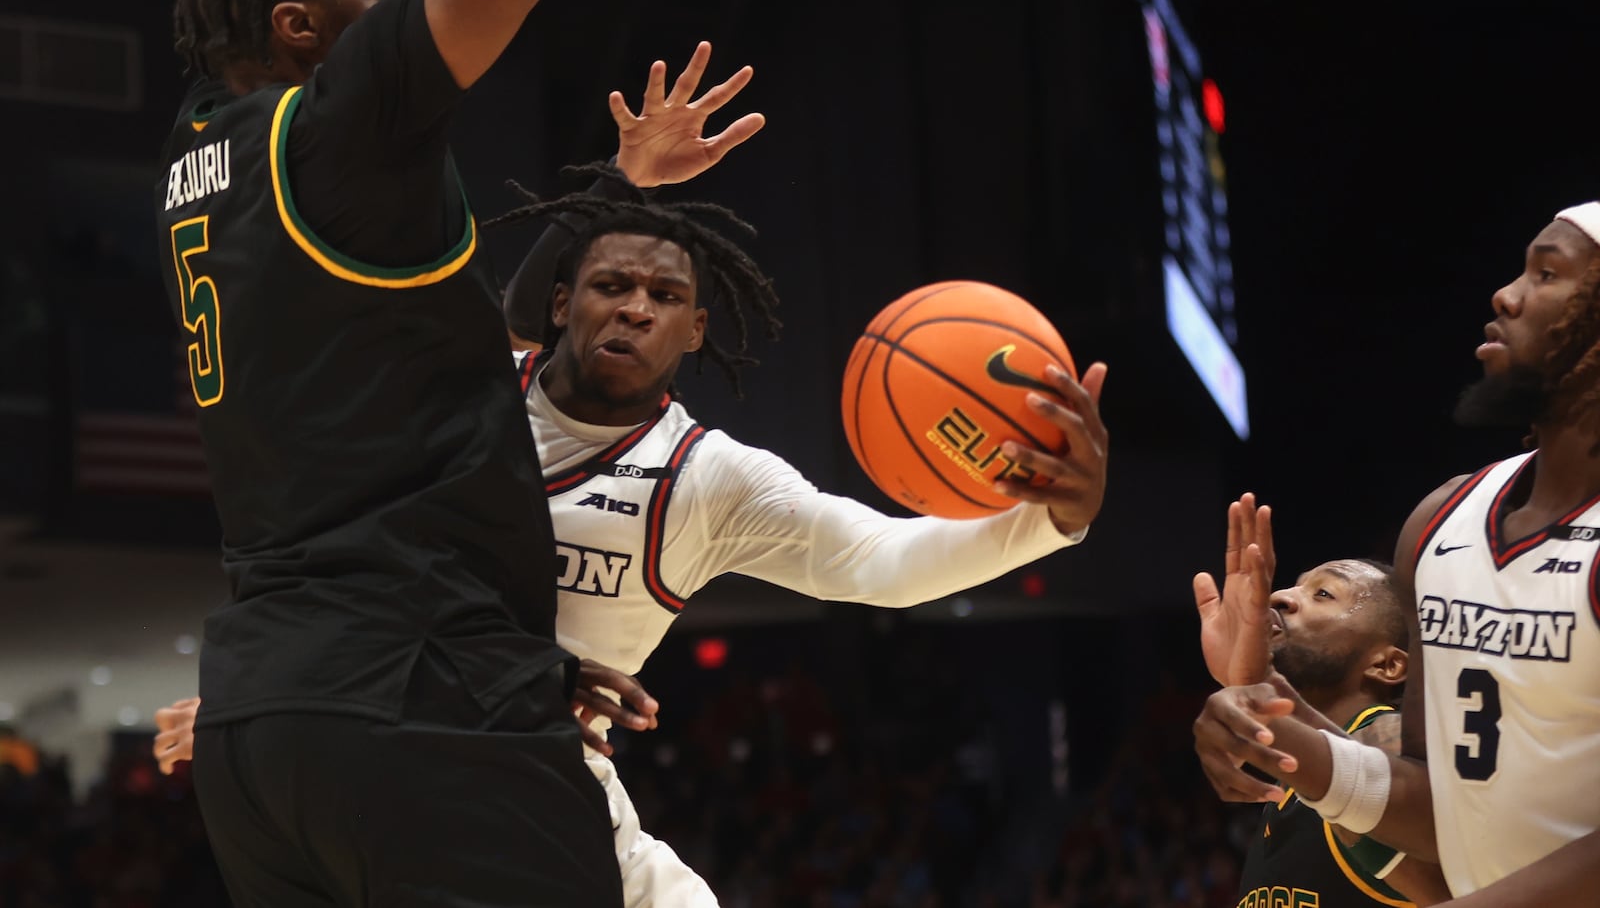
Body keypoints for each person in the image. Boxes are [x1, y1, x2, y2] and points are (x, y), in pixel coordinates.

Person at [158, 161, 1111, 906]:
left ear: (696, 330)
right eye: (612, 284)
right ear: (563, 302)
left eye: (663, 298)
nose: (635, 307)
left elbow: (881, 561)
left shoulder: (709, 478)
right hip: (388, 731)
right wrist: (279, 685)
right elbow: (338, 546)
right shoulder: (467, 388)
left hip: (537, 776)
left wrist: (1048, 519)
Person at [152, 0, 693, 900]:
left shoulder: (204, 133)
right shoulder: (344, 131)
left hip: (262, 729)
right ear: (302, 28)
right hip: (423, 693)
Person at [1192, 204, 1600, 905]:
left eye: (1547, 272)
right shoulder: (1440, 520)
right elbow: (1439, 806)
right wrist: (1270, 712)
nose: (1506, 294)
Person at [1195, 496, 1452, 907]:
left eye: (1324, 594)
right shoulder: (1296, 779)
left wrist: (1259, 684)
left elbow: (1451, 886)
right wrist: (1250, 683)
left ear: (1387, 665)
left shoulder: (1385, 736)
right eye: (1296, 584)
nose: (1281, 596)